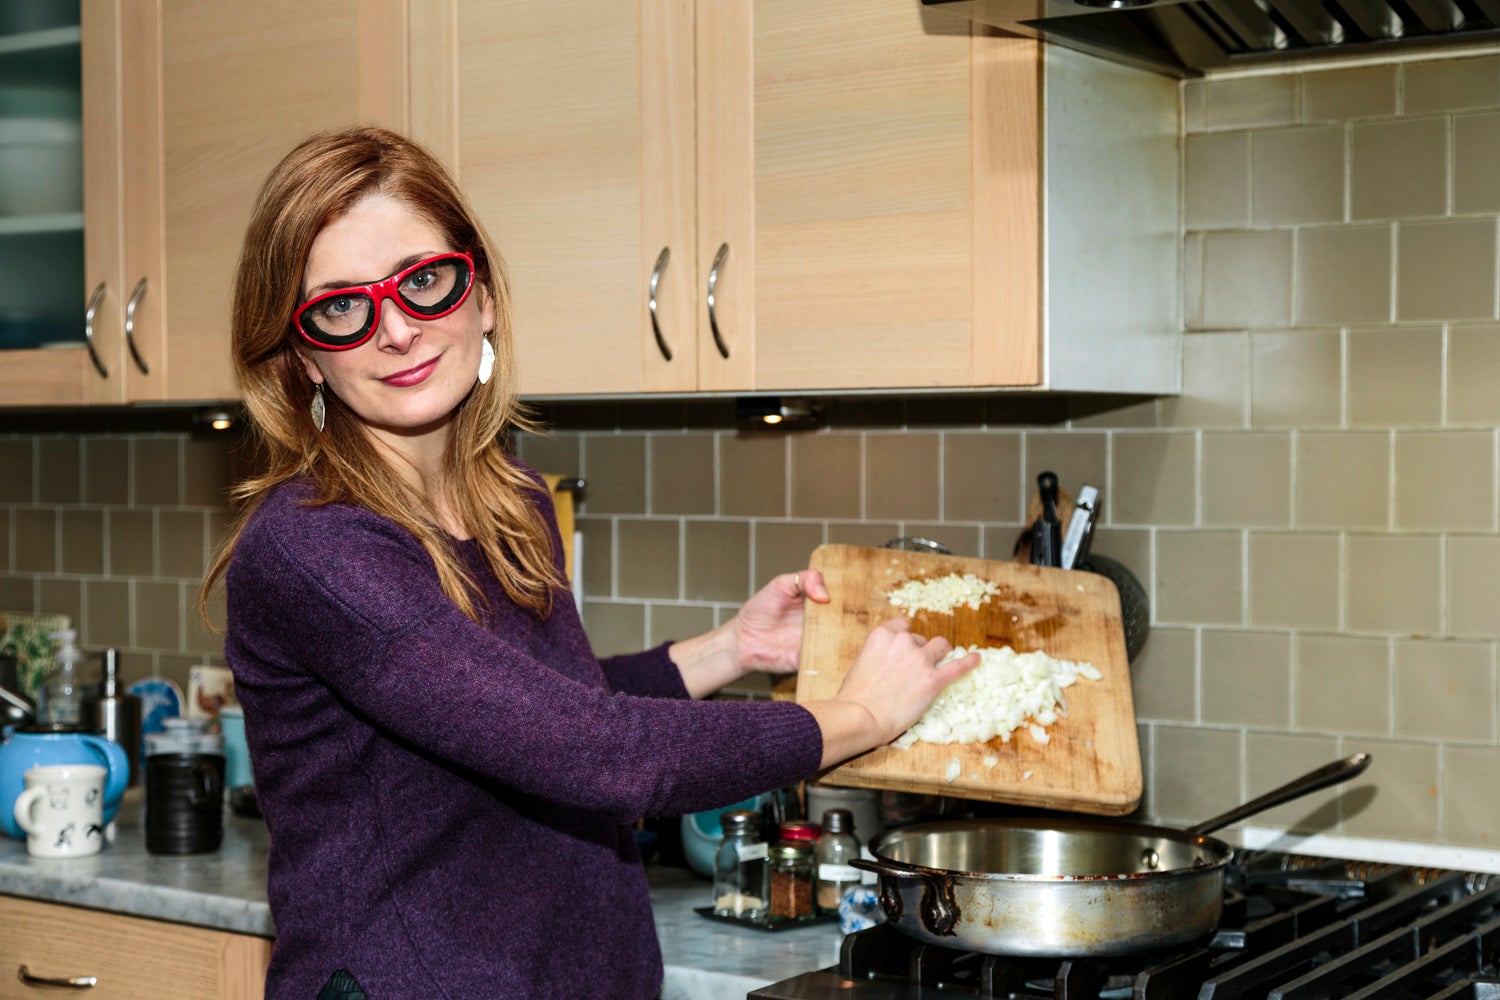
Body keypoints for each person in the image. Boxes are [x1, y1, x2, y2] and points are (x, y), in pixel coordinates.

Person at [200, 125, 978, 1000]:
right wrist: (859, 715)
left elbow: (539, 707)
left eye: (423, 282)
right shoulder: (316, 547)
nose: (396, 331)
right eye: (341, 307)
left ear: (481, 293)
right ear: (304, 352)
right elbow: (596, 754)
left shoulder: (514, 502)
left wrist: (729, 651)